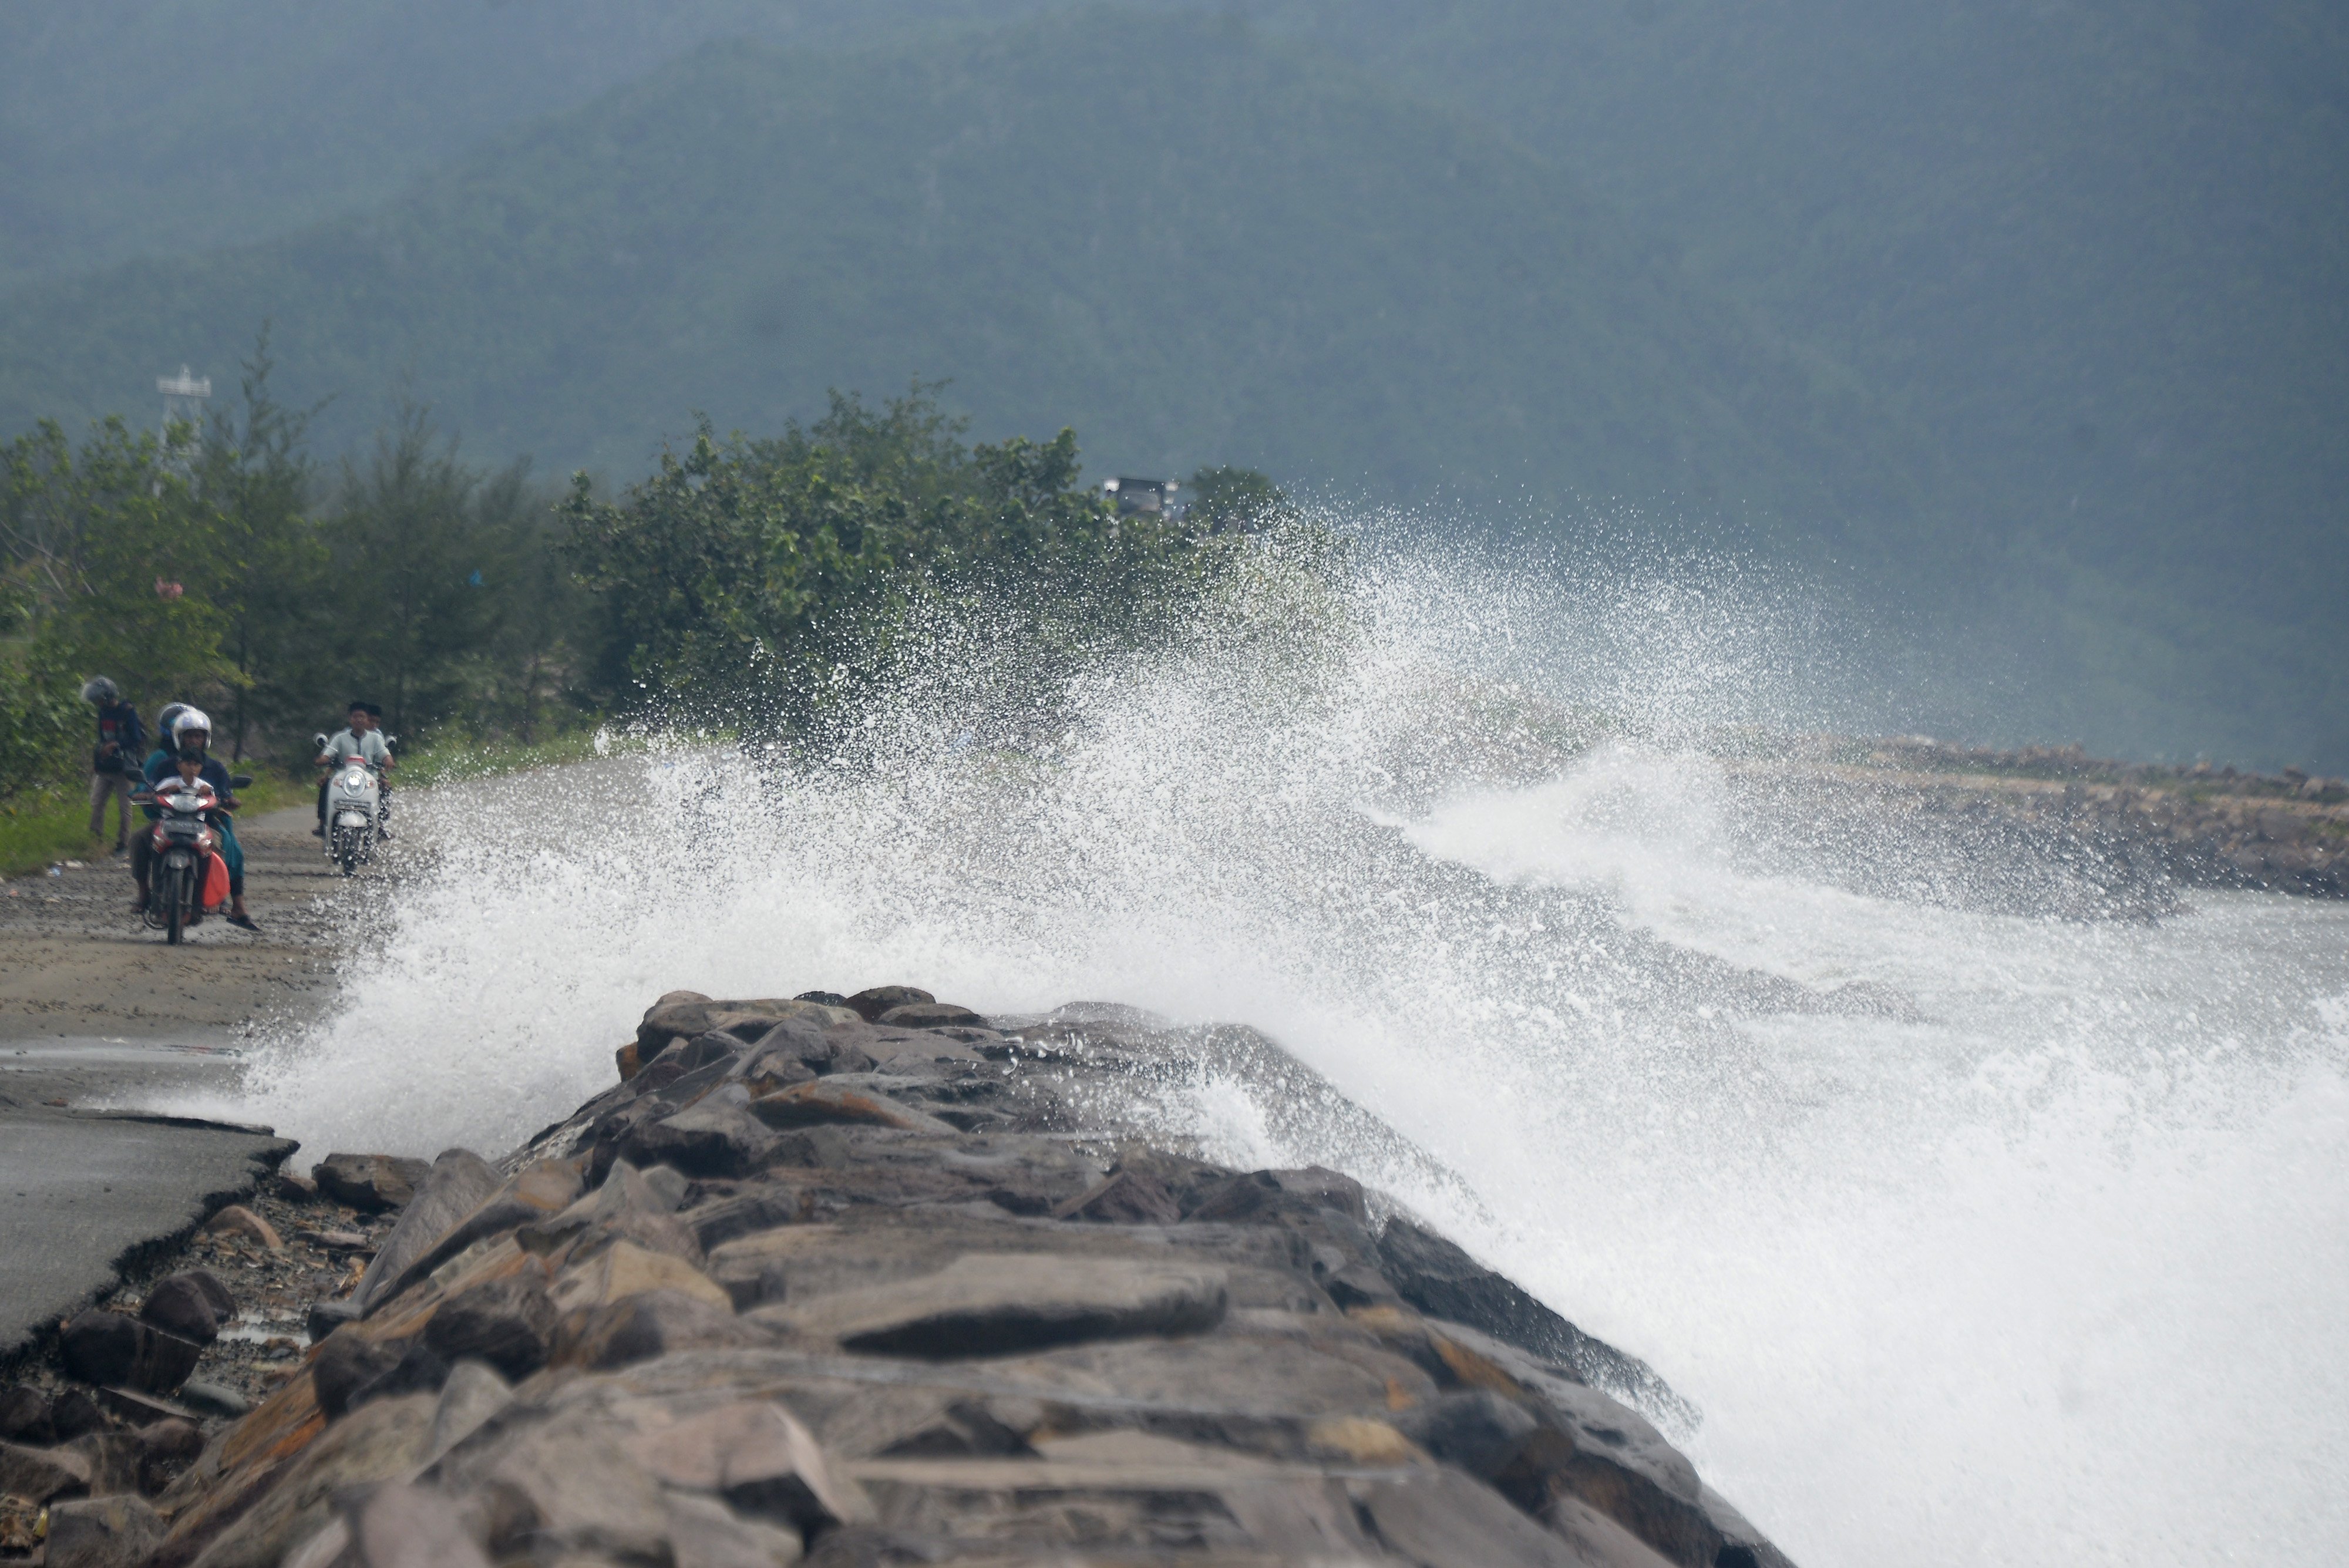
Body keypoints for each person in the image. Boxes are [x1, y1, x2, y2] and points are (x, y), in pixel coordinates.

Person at [132, 708, 258, 931]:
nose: (193, 740)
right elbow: (150, 787)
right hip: (168, 821)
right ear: (179, 738)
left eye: (198, 736)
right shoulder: (165, 765)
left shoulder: (216, 769)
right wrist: (146, 795)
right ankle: (144, 892)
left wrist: (228, 799)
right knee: (139, 840)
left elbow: (226, 793)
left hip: (205, 822)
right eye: (189, 735)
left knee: (227, 847)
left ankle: (230, 902)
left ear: (206, 739)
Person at [81, 677, 144, 852]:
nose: (97, 703)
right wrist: (99, 757)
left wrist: (116, 745)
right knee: (97, 802)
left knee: (125, 806)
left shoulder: (126, 711)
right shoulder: (103, 712)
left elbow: (136, 738)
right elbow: (103, 738)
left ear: (109, 696)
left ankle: (123, 843)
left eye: (99, 699)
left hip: (123, 767)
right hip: (105, 767)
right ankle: (96, 839)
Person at [315, 700, 394, 839]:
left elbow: (384, 753)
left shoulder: (376, 738)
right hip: (343, 775)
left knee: (385, 790)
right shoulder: (340, 737)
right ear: (350, 718)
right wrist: (323, 759)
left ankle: (380, 825)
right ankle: (323, 823)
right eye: (356, 717)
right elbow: (329, 753)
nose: (359, 720)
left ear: (367, 719)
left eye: (362, 717)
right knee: (326, 786)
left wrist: (388, 760)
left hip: (370, 776)